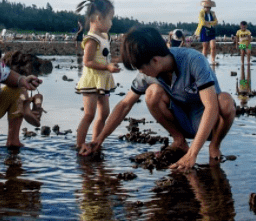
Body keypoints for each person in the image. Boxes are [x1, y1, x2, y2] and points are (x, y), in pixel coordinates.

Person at [79, 26, 235, 170]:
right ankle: (179, 141)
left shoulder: (194, 60)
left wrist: (192, 154)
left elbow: (211, 106)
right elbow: (125, 105)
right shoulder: (147, 74)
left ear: (155, 60)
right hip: (180, 118)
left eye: (141, 67)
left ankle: (214, 145)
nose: (140, 72)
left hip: (207, 122)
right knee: (152, 92)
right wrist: (99, 139)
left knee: (225, 101)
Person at [74, 0, 120, 150]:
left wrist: (120, 59)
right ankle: (80, 145)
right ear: (99, 18)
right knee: (89, 114)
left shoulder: (105, 37)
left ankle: (95, 142)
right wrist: (107, 67)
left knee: (104, 113)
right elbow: (87, 62)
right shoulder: (91, 39)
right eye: (110, 19)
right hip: (92, 81)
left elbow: (105, 58)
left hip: (103, 81)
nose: (112, 23)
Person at [195, 0, 218, 65]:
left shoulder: (213, 13)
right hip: (204, 30)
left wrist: (209, 23)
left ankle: (213, 60)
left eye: (208, 7)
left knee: (213, 46)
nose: (207, 8)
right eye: (206, 7)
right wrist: (211, 23)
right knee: (205, 47)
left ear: (210, 7)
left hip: (211, 31)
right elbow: (202, 22)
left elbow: (216, 22)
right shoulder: (201, 12)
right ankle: (204, 61)